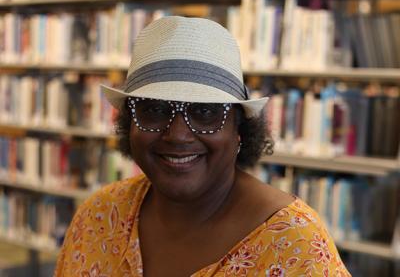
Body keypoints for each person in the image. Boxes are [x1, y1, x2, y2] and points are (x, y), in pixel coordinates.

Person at [55, 16, 350, 276]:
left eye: (206, 112)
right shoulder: (100, 215)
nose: (178, 134)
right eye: (155, 110)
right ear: (129, 124)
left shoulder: (296, 247)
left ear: (239, 128)